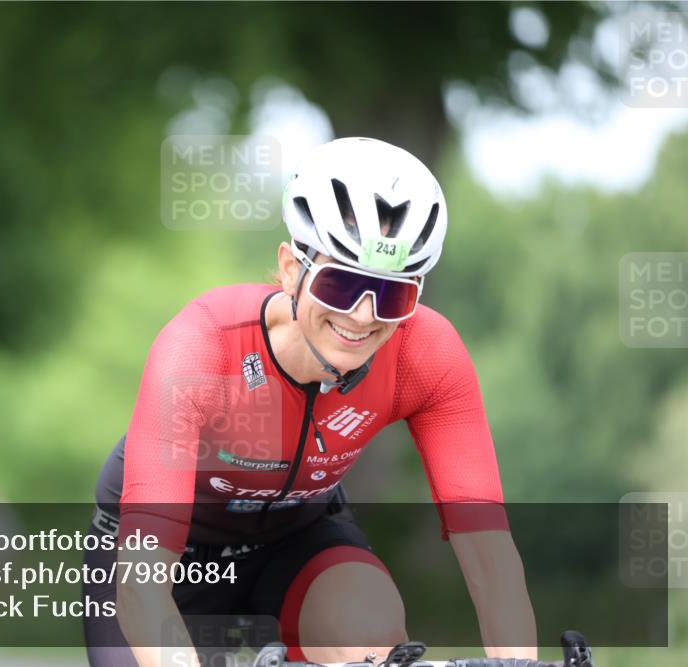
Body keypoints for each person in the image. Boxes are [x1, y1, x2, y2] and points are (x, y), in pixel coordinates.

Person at [83, 138, 537, 667]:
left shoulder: (426, 354)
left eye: (392, 294)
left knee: (365, 634)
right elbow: (144, 586)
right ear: (290, 267)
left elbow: (488, 552)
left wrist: (521, 663)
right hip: (164, 562)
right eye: (342, 283)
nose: (365, 316)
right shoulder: (203, 346)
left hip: (298, 540)